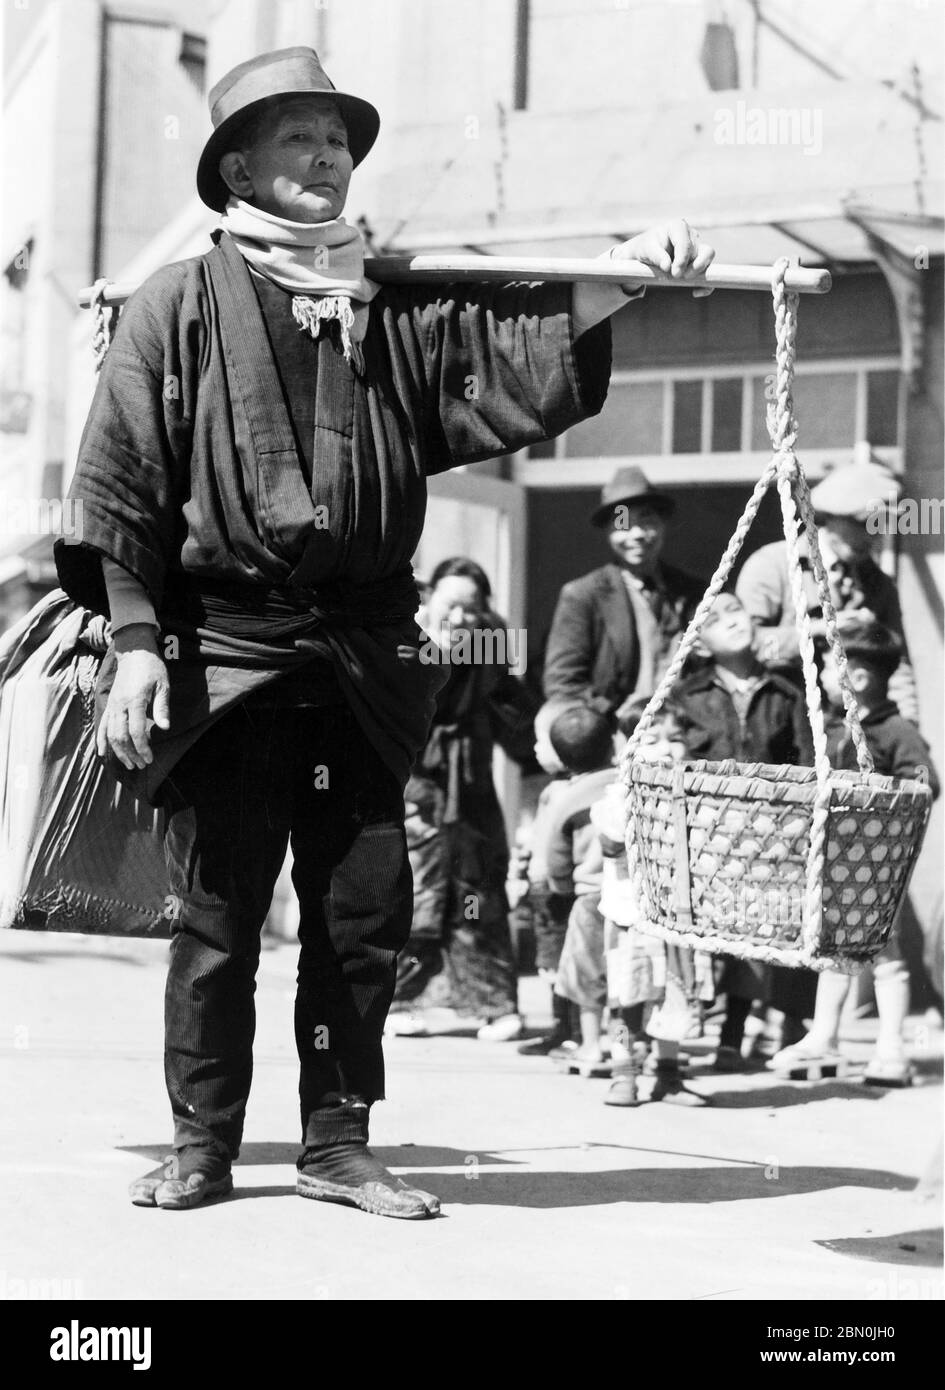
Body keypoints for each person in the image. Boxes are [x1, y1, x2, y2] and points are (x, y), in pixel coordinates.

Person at [53, 46, 715, 1218]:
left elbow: (504, 358)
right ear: (238, 166)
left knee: (362, 916)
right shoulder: (175, 307)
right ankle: (203, 1139)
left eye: (339, 141)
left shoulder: (388, 303)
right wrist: (138, 649)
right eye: (299, 139)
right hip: (230, 652)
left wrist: (629, 275)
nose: (326, 158)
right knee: (219, 915)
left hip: (363, 657)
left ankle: (336, 1140)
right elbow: (120, 490)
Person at [770, 617, 939, 1085]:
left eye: (827, 664)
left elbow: (925, 783)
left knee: (884, 952)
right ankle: (823, 1037)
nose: (822, 671)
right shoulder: (831, 726)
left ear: (857, 679)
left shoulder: (895, 731)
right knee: (833, 949)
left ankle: (891, 1050)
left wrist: (876, 800)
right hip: (835, 861)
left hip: (879, 865)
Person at [661, 591, 815, 1069]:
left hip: (771, 834)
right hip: (708, 835)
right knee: (709, 935)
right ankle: (689, 1031)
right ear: (700, 644)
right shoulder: (687, 697)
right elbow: (663, 748)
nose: (731, 620)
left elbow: (808, 763)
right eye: (714, 618)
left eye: (736, 610)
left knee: (761, 931)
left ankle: (738, 1033)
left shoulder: (788, 695)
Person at [386, 557, 534, 1039]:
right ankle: (396, 1001)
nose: (461, 619)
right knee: (417, 890)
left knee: (479, 890)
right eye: (452, 606)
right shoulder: (401, 640)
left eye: (472, 610)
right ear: (429, 599)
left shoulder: (490, 646)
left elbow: (515, 713)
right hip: (414, 785)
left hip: (468, 786)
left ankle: (492, 1005)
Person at [735, 459, 918, 722]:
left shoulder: (880, 584)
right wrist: (822, 630)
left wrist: (907, 728)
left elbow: (896, 664)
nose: (872, 537)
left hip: (850, 730)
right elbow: (746, 647)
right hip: (781, 720)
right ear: (831, 517)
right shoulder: (773, 565)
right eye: (863, 524)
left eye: (880, 526)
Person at [543, 467, 704, 733]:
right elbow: (562, 683)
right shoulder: (584, 595)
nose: (637, 534)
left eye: (647, 520)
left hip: (683, 736)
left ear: (663, 524)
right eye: (623, 523)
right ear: (609, 531)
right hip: (616, 737)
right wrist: (613, 718)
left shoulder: (692, 591)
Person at [544, 706, 618, 1067]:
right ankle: (628, 1045)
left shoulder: (567, 798)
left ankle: (592, 1045)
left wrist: (560, 889)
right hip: (634, 896)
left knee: (588, 974)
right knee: (625, 973)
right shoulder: (628, 782)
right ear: (612, 744)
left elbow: (555, 855)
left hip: (589, 898)